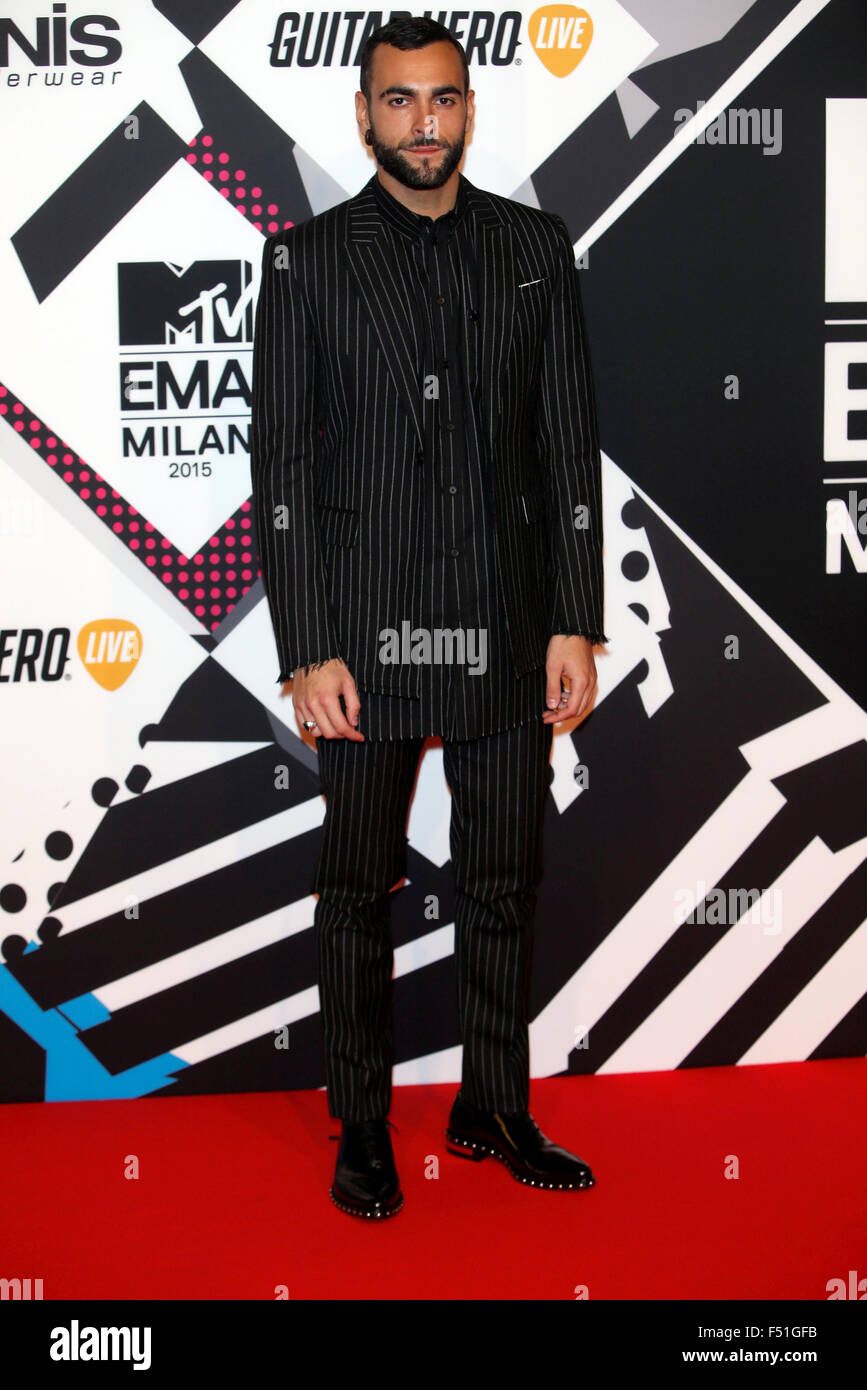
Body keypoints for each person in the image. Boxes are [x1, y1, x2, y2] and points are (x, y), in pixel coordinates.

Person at [250, 16, 607, 1219]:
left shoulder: (532, 248)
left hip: (509, 623)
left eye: (442, 99)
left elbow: (567, 446)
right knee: (358, 888)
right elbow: (284, 470)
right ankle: (363, 1122)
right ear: (364, 116)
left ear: (468, 109)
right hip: (366, 634)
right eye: (398, 102)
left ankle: (491, 1105)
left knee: (505, 875)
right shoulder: (307, 263)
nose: (423, 122)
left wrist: (574, 616)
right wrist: (306, 644)